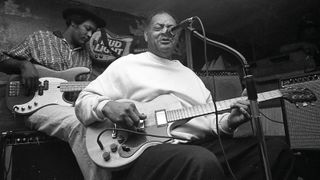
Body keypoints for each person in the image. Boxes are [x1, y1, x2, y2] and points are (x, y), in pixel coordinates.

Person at [75, 10, 296, 180]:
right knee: (200, 161)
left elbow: (211, 121)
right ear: (146, 35)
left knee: (274, 148)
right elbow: (84, 101)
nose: (166, 31)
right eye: (159, 27)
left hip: (199, 145)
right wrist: (107, 106)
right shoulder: (126, 65)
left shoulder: (190, 76)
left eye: (172, 28)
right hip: (146, 150)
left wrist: (230, 121)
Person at [0, 7, 113, 180]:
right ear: (73, 23)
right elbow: (2, 60)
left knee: (100, 122)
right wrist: (23, 65)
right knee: (80, 124)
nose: (90, 35)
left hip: (66, 107)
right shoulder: (40, 38)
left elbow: (82, 90)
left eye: (93, 32)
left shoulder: (85, 57)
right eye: (88, 29)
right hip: (36, 106)